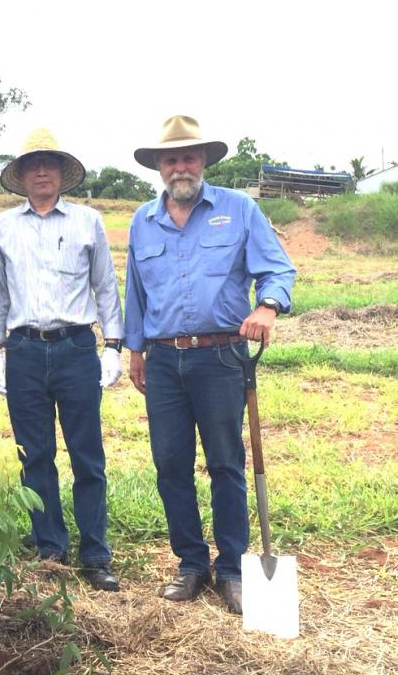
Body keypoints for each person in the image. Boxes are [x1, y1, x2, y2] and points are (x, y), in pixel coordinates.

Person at [123, 115, 296, 614]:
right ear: (159, 166)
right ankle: (191, 564)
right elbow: (135, 289)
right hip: (162, 362)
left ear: (203, 163)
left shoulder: (239, 209)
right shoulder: (142, 220)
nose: (181, 166)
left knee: (225, 463)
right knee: (170, 465)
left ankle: (233, 568)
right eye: (171, 158)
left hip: (221, 356)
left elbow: (278, 268)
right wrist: (136, 349)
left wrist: (267, 306)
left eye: (189, 157)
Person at [0, 129, 124, 591]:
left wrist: (113, 346)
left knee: (88, 455)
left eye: (49, 163)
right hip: (24, 349)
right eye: (32, 164)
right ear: (22, 175)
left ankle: (95, 553)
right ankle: (50, 549)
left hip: (76, 348)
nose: (41, 171)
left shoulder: (88, 221)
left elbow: (105, 286)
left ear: (61, 173)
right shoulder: (4, 227)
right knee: (36, 456)